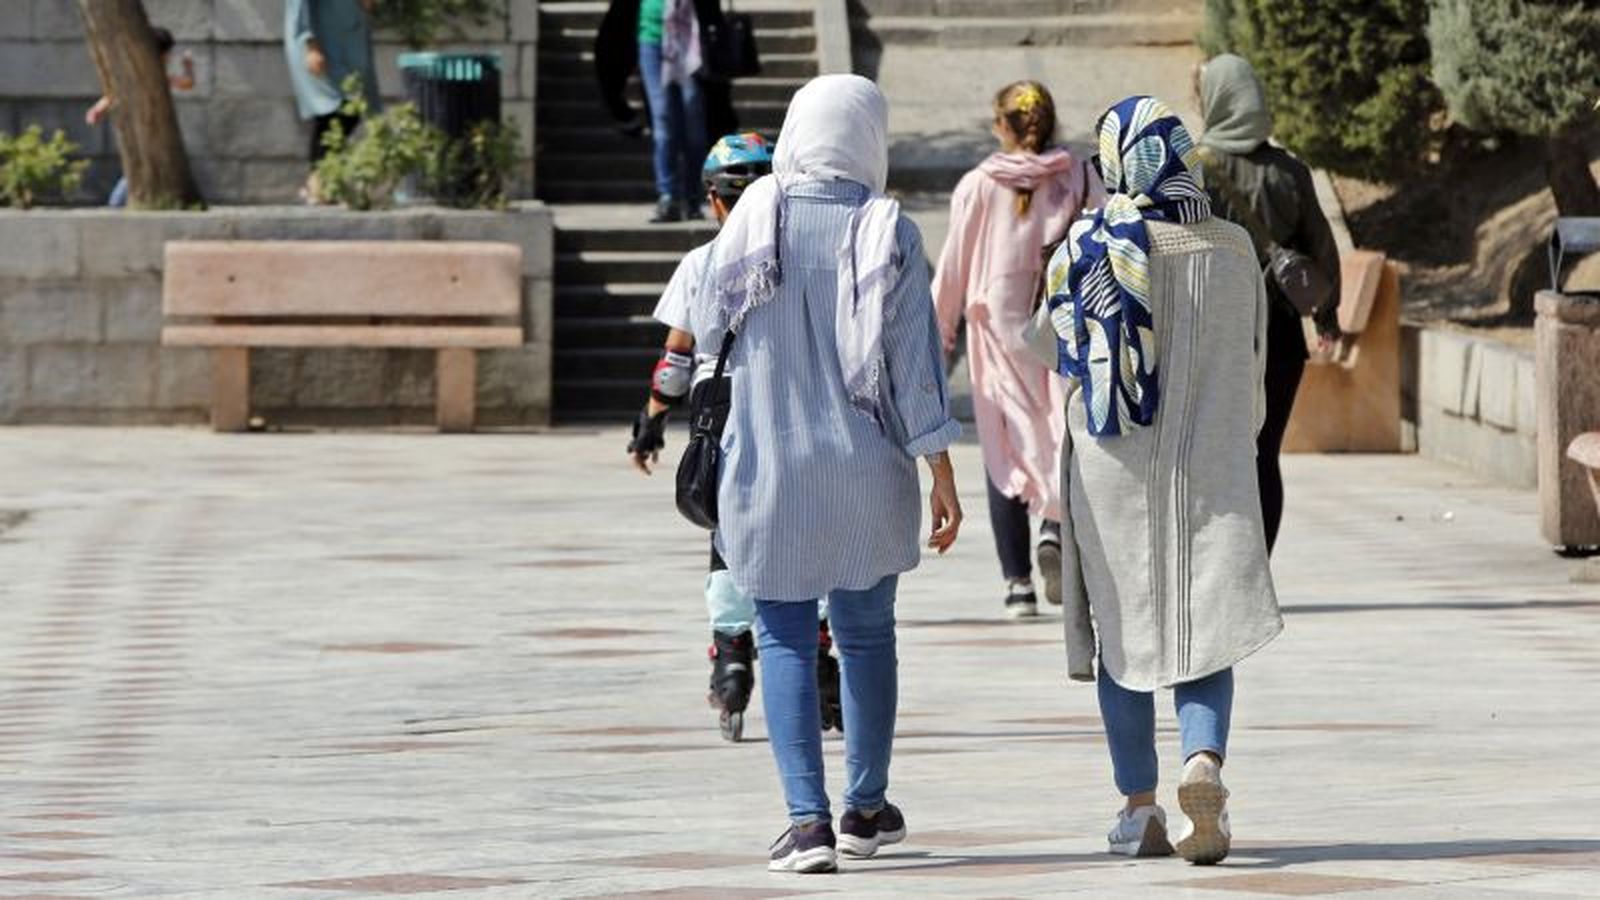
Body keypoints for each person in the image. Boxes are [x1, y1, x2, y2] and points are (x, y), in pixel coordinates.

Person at [690, 74, 963, 874]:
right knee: (868, 636)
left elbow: (709, 328)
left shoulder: (750, 217)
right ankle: (866, 809)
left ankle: (806, 824)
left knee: (781, 638)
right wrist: (941, 468)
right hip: (869, 470)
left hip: (768, 470)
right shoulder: (890, 229)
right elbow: (917, 366)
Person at [1026, 96, 1281, 865]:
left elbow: (1045, 344)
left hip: (1113, 471)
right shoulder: (1234, 248)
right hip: (1215, 464)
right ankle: (1202, 764)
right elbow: (1257, 366)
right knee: (1206, 630)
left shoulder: (1087, 245)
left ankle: (1139, 809)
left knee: (1124, 636)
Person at [626, 133, 843, 744]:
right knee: (808, 531)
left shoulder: (700, 263)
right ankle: (823, 657)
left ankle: (731, 658)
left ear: (714, 202)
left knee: (730, 534)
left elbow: (676, 359)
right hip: (803, 412)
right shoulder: (810, 254)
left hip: (719, 418)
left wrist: (649, 421)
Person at [931, 80, 1102, 619]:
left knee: (1002, 448)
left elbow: (954, 268)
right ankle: (1053, 525)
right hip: (1062, 328)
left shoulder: (980, 185)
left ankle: (1018, 583)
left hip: (997, 336)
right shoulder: (1078, 175)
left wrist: (937, 339)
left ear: (1002, 126)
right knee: (1059, 437)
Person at [1195, 54, 1342, 553]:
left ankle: (1221, 560)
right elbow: (1320, 246)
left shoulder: (1194, 168)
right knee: (1264, 453)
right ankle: (1258, 563)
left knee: (1215, 452)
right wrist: (1327, 315)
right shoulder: (1291, 171)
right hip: (1279, 334)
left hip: (1213, 331)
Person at [86, 26, 195, 207]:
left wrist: (97, 110)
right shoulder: (148, 74)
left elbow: (186, 84)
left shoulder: (157, 75)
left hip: (149, 132)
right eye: (167, 54)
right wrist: (98, 109)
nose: (168, 58)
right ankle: (116, 205)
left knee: (139, 171)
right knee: (137, 171)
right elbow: (114, 94)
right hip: (143, 132)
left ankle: (117, 204)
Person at [284, 0, 381, 170]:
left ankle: (321, 185)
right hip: (321, 45)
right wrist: (310, 43)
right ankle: (319, 185)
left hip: (349, 41)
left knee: (350, 110)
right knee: (333, 114)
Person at [638, 0, 709, 222]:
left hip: (691, 37)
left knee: (694, 125)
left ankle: (693, 196)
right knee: (663, 120)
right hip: (652, 38)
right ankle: (667, 195)